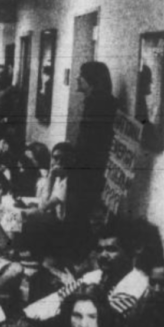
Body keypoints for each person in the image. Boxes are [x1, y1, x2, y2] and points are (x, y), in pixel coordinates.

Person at [73, 61, 118, 221]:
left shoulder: (98, 104)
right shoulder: (94, 101)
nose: (77, 78)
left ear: (92, 80)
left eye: (82, 75)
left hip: (89, 172)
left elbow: (91, 144)